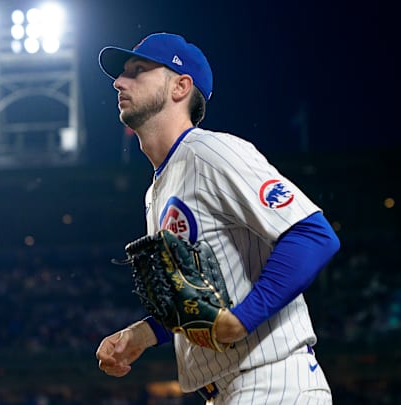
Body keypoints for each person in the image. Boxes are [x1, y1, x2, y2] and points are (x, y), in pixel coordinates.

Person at [95, 32, 341, 404]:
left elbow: (313, 233)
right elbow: (197, 300)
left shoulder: (211, 152)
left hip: (272, 379)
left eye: (138, 70)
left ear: (180, 86)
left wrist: (243, 318)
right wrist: (143, 334)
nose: (119, 81)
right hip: (228, 391)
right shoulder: (157, 189)